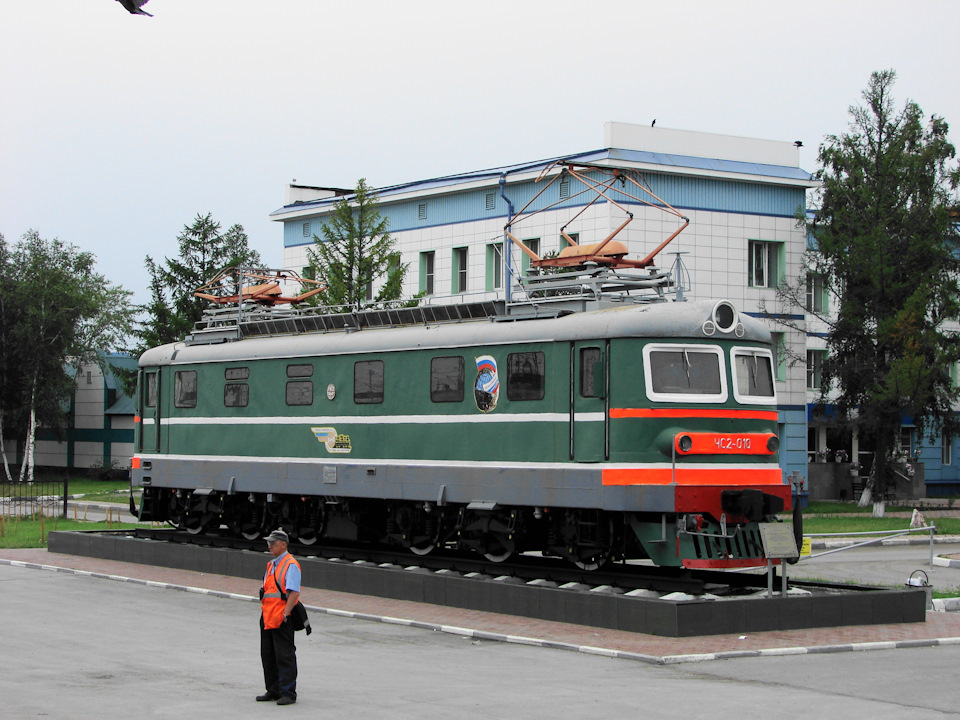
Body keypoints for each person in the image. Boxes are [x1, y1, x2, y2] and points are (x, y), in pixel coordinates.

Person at [257, 529, 301, 706]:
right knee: (268, 654)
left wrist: (286, 613)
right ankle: (273, 690)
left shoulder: (290, 564)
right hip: (267, 616)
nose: (269, 546)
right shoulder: (271, 564)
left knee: (284, 655)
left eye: (273, 543)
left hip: (282, 617)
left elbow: (294, 592)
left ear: (283, 544)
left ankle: (288, 693)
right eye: (269, 543)